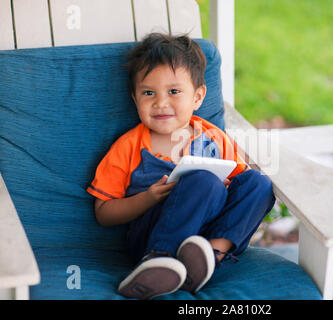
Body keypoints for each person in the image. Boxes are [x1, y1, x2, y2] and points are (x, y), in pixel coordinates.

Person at [86, 33, 276, 300]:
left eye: (174, 91)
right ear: (134, 98)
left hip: (208, 233)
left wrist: (224, 188)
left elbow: (243, 190)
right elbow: (103, 213)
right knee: (204, 181)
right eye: (148, 93)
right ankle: (156, 264)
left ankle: (210, 255)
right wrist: (147, 198)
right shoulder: (129, 146)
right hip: (150, 238)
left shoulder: (214, 138)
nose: (161, 102)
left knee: (259, 183)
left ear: (197, 97)